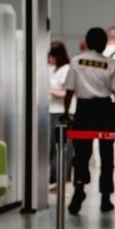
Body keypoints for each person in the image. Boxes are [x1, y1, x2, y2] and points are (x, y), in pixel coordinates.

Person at [63, 28, 115, 215]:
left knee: (81, 155)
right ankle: (105, 198)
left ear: (86, 42)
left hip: (84, 110)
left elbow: (69, 90)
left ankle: (79, 189)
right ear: (104, 44)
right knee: (107, 156)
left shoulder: (76, 61)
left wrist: (66, 112)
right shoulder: (111, 64)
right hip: (105, 110)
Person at [48, 41, 73, 185]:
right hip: (51, 110)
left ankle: (62, 178)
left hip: (62, 112)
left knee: (63, 146)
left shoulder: (66, 69)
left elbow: (66, 92)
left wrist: (49, 91)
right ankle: (53, 176)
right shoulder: (53, 69)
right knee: (52, 146)